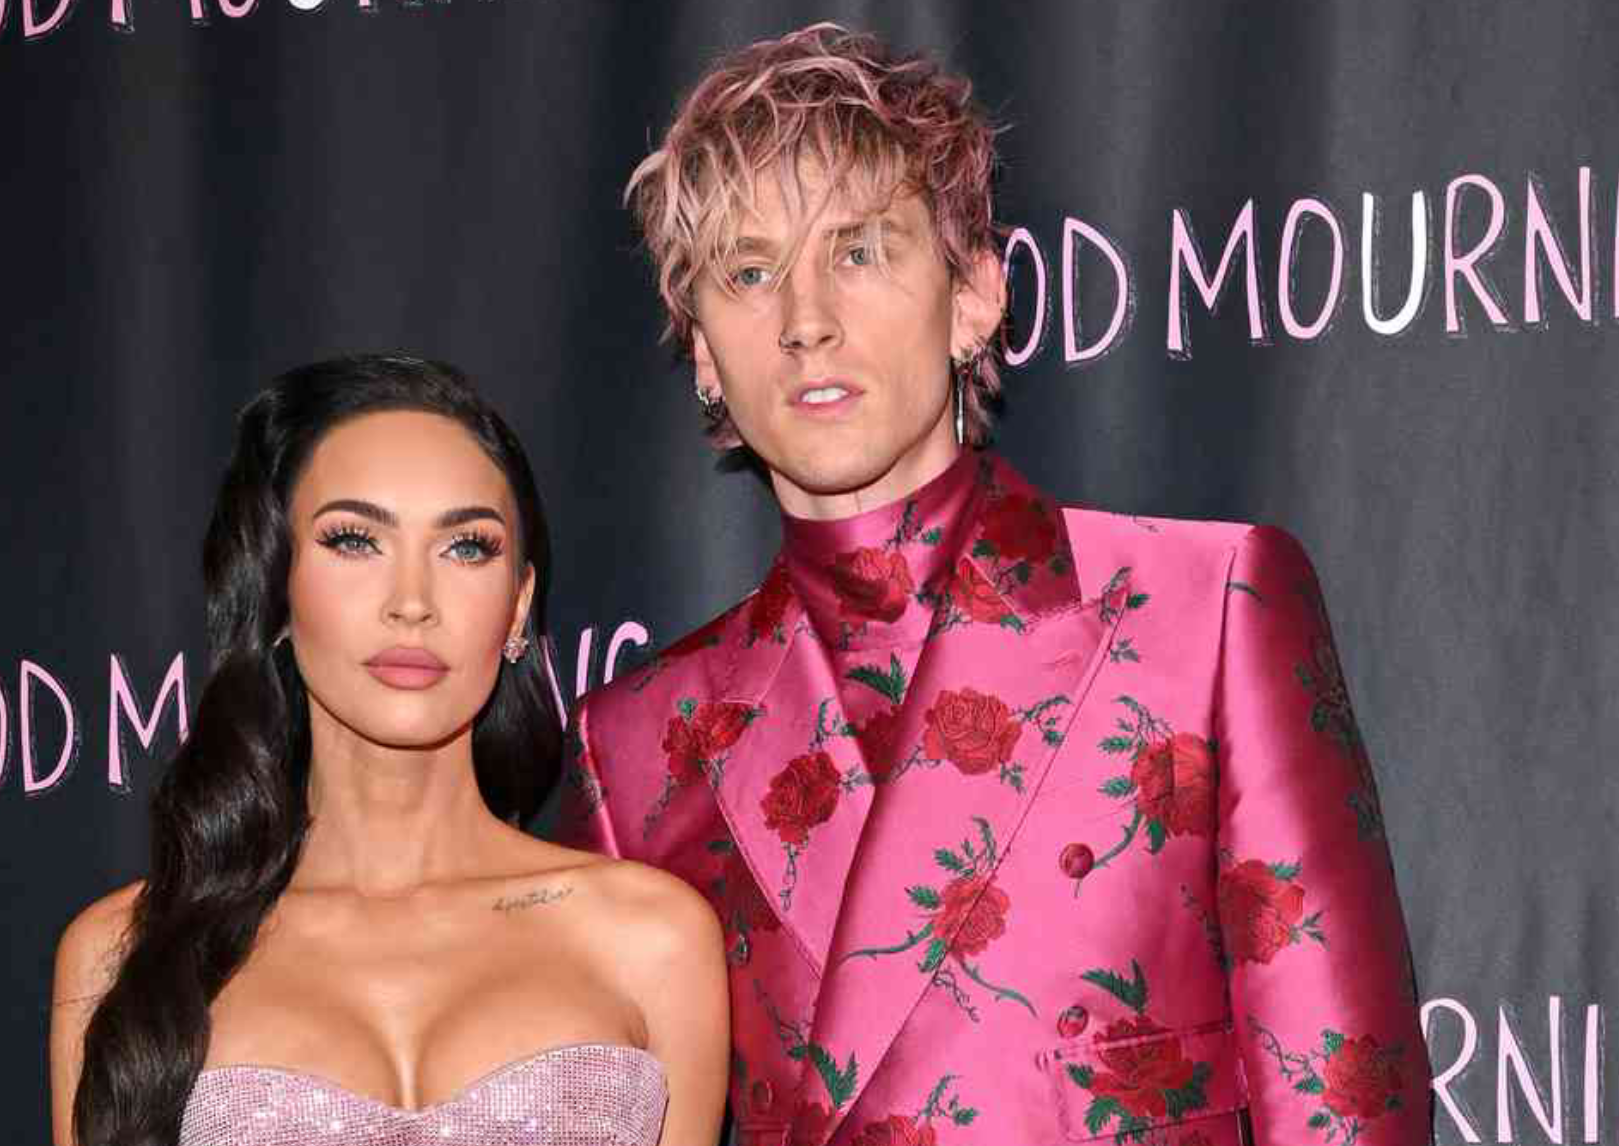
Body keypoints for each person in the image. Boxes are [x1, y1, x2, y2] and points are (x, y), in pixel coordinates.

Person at [564, 25, 1432, 1146]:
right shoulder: (638, 745)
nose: (805, 320)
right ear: (701, 351)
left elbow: (1346, 1109)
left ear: (974, 295)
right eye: (749, 271)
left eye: (861, 251)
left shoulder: (1206, 611)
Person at [49, 355, 728, 1146]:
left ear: (518, 605)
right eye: (354, 540)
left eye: (466, 547)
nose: (412, 603)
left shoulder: (652, 938)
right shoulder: (124, 954)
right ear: (274, 588)